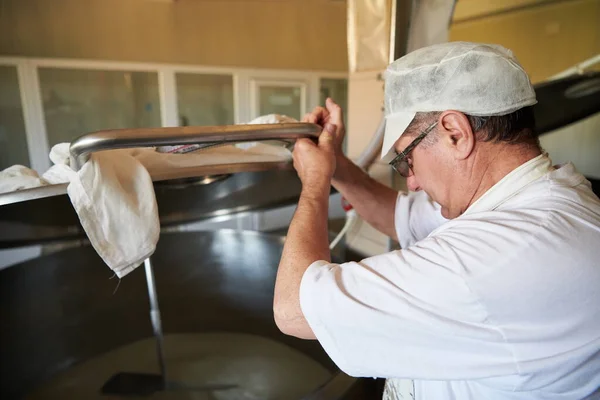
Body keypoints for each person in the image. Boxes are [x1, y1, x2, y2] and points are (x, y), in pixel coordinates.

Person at [273, 41, 600, 399]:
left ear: (455, 134)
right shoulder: (536, 199)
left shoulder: (499, 256)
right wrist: (335, 164)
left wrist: (315, 181)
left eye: (406, 158)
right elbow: (400, 215)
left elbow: (293, 309)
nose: (411, 180)